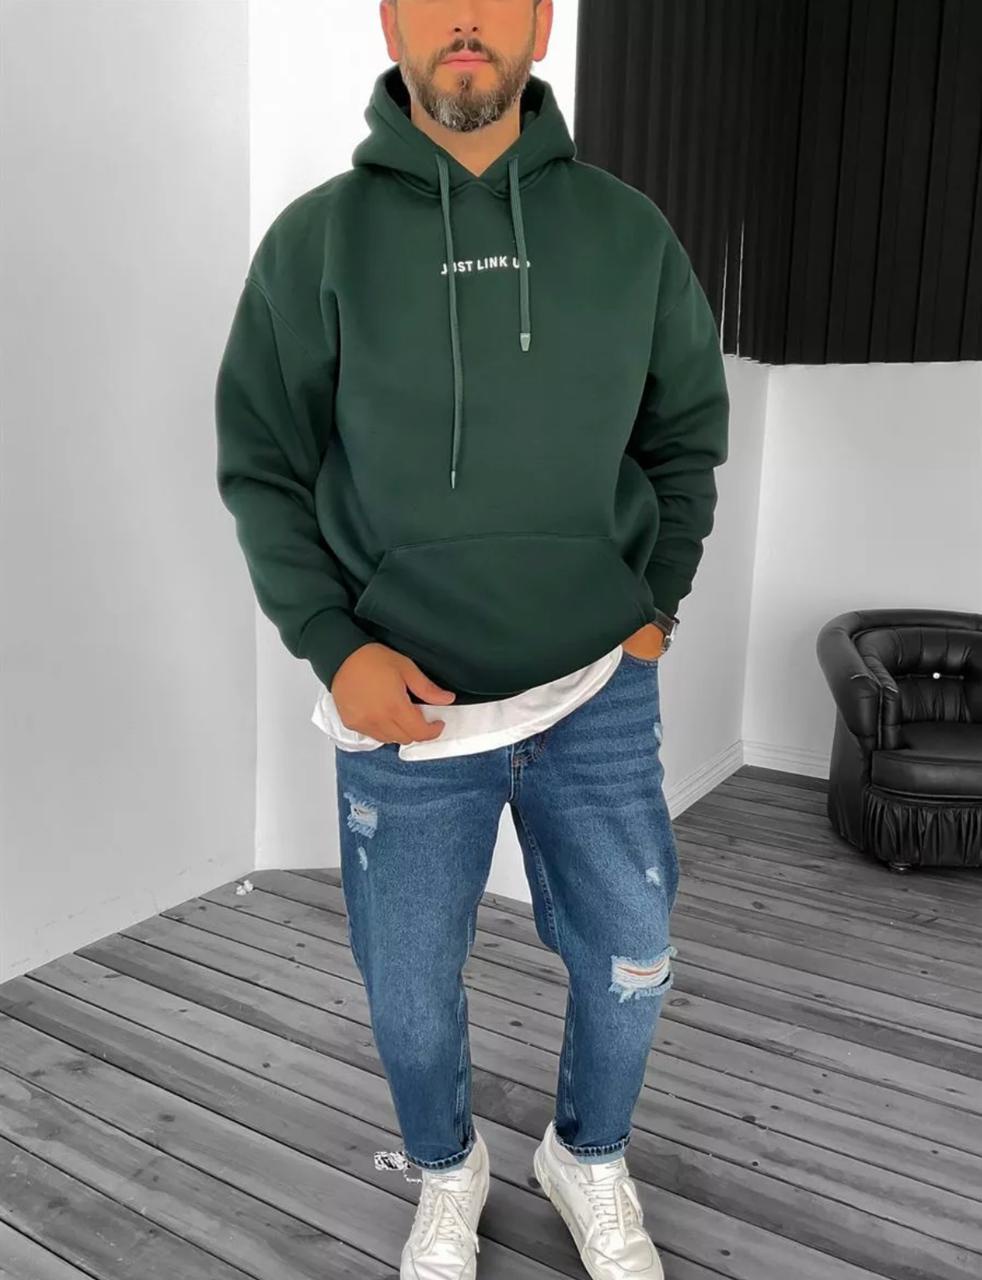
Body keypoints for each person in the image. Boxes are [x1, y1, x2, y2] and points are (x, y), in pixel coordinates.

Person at [214, 2, 729, 1275]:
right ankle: (447, 1171)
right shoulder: (315, 243)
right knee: (405, 983)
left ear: (540, 26)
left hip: (597, 683)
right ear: (390, 22)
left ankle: (585, 1154)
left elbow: (683, 434)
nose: (463, 17)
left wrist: (655, 604)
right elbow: (265, 464)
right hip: (406, 696)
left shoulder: (628, 233)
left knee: (632, 954)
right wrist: (333, 644)